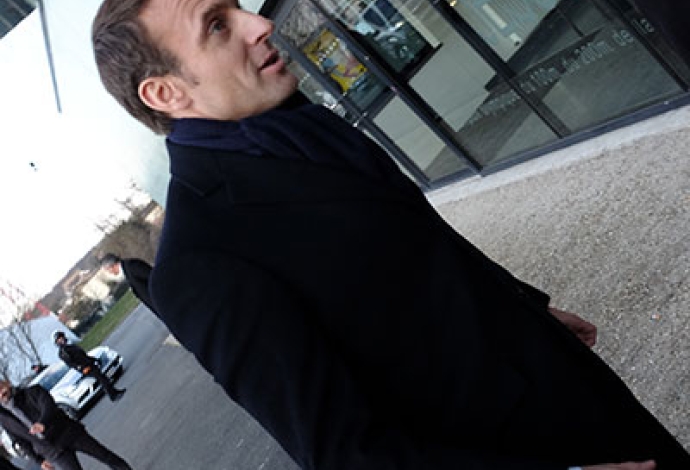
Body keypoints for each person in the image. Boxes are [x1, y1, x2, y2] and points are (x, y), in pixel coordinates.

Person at [91, 1, 690, 469]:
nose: (261, 23)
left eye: (236, 7)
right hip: (519, 448)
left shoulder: (303, 128)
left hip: (562, 378)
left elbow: (421, 247)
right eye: (218, 26)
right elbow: (348, 454)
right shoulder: (199, 263)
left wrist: (527, 309)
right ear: (165, 92)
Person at [0, 380, 132, 470]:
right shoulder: (4, 419)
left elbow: (48, 405)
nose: (1, 394)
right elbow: (20, 441)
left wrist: (42, 423)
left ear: (7, 383)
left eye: (1, 388)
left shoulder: (33, 391)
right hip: (53, 452)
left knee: (106, 456)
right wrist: (39, 461)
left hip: (69, 433)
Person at [52, 332, 125, 402]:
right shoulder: (63, 352)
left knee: (104, 378)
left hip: (89, 364)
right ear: (57, 342)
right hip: (86, 368)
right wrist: (82, 368)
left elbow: (83, 355)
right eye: (59, 339)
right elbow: (71, 364)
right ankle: (113, 396)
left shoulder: (71, 346)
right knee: (102, 380)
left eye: (61, 337)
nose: (61, 339)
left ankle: (115, 391)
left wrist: (94, 359)